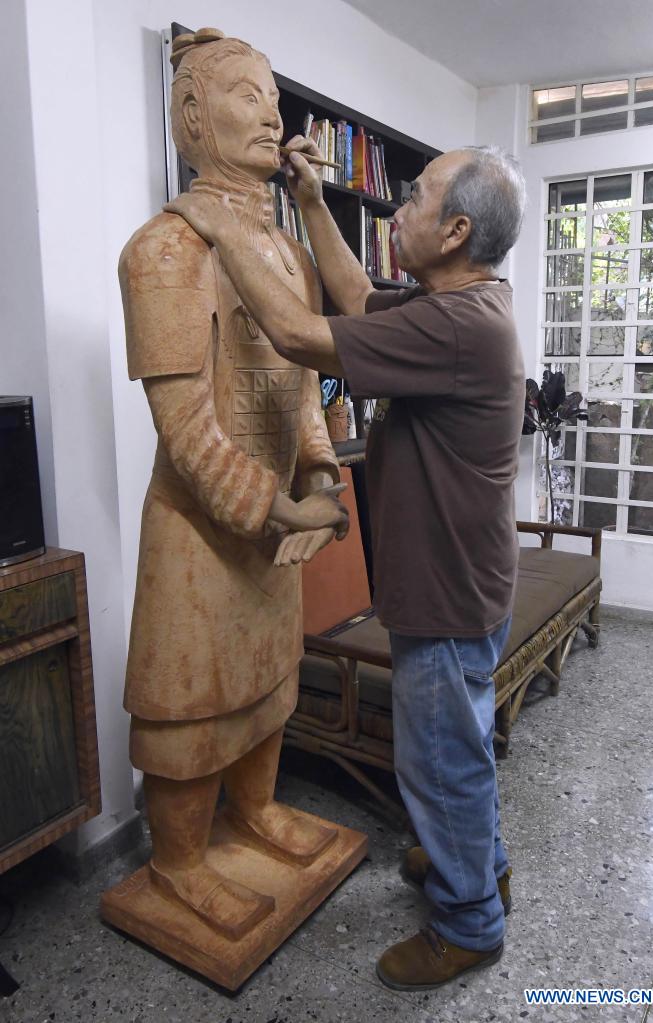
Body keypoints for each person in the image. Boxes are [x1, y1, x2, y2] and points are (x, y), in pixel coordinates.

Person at [166, 138, 526, 987]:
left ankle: (469, 920)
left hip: (444, 589)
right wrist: (315, 203)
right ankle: (480, 861)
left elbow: (296, 333)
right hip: (460, 578)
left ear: (456, 231)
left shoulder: (458, 327)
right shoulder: (459, 304)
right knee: (459, 745)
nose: (399, 206)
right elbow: (356, 297)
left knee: (439, 760)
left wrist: (218, 224)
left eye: (418, 196)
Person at [119, 28, 349, 941]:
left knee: (267, 678)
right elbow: (184, 429)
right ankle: (176, 861)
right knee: (192, 696)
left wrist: (323, 468)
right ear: (190, 116)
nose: (272, 113)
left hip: (277, 524)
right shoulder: (165, 251)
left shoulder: (288, 256)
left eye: (272, 95)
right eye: (246, 94)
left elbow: (297, 389)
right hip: (199, 531)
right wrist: (270, 504)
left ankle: (255, 811)